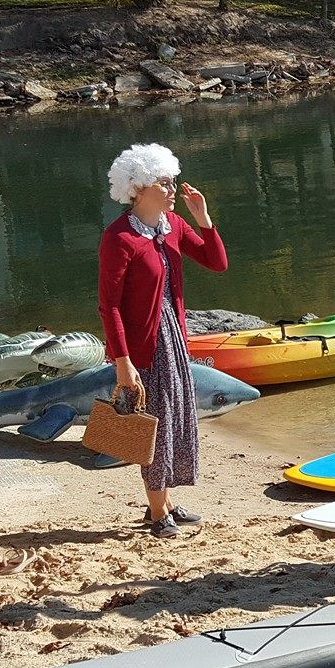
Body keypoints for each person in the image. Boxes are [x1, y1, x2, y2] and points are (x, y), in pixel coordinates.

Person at [97, 143, 227, 538]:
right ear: (137, 187)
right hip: (143, 346)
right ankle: (156, 514)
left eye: (172, 182)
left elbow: (216, 263)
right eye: (164, 183)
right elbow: (110, 306)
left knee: (176, 419)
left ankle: (167, 501)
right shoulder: (119, 238)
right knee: (153, 424)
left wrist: (203, 219)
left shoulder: (172, 226)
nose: (172, 190)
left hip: (173, 336)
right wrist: (123, 361)